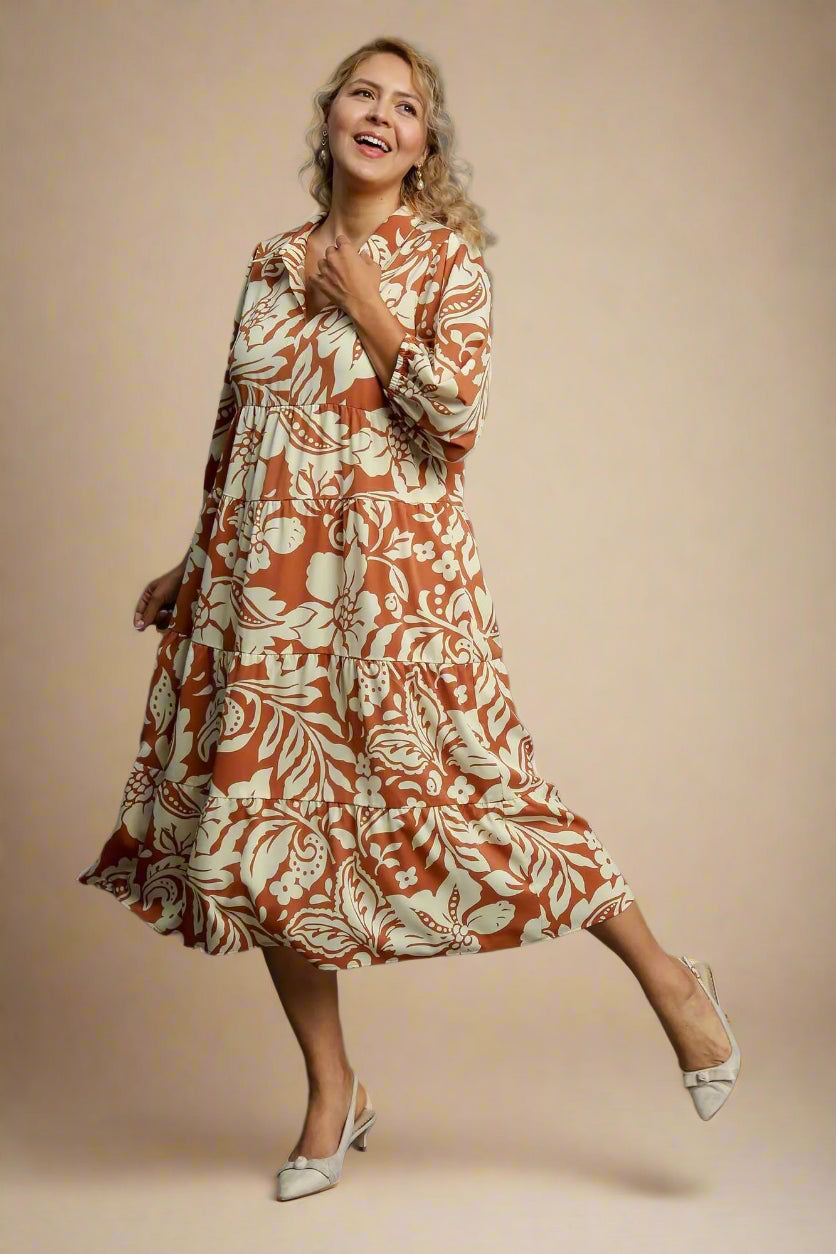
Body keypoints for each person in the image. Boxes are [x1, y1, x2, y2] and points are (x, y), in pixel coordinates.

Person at [77, 37, 741, 1202]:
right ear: (327, 115)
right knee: (268, 824)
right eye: (362, 94)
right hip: (268, 589)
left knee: (478, 791)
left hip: (398, 592)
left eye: (407, 107)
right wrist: (195, 564)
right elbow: (240, 431)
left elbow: (453, 420)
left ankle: (671, 981)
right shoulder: (272, 262)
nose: (379, 115)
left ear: (427, 149)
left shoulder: (448, 264)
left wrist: (372, 307)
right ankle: (334, 1088)